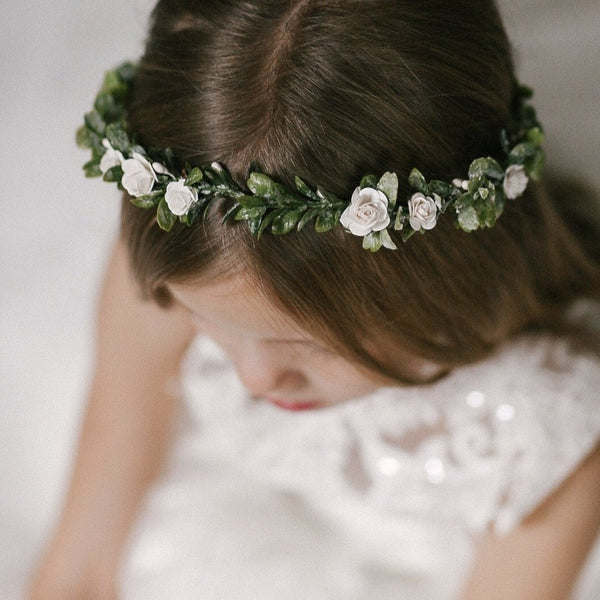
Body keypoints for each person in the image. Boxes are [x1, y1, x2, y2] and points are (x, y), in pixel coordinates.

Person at [29, 1, 600, 598]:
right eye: (202, 319)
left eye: (313, 345)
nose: (253, 380)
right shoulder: (176, 274)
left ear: (443, 278)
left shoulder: (546, 436)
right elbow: (78, 563)